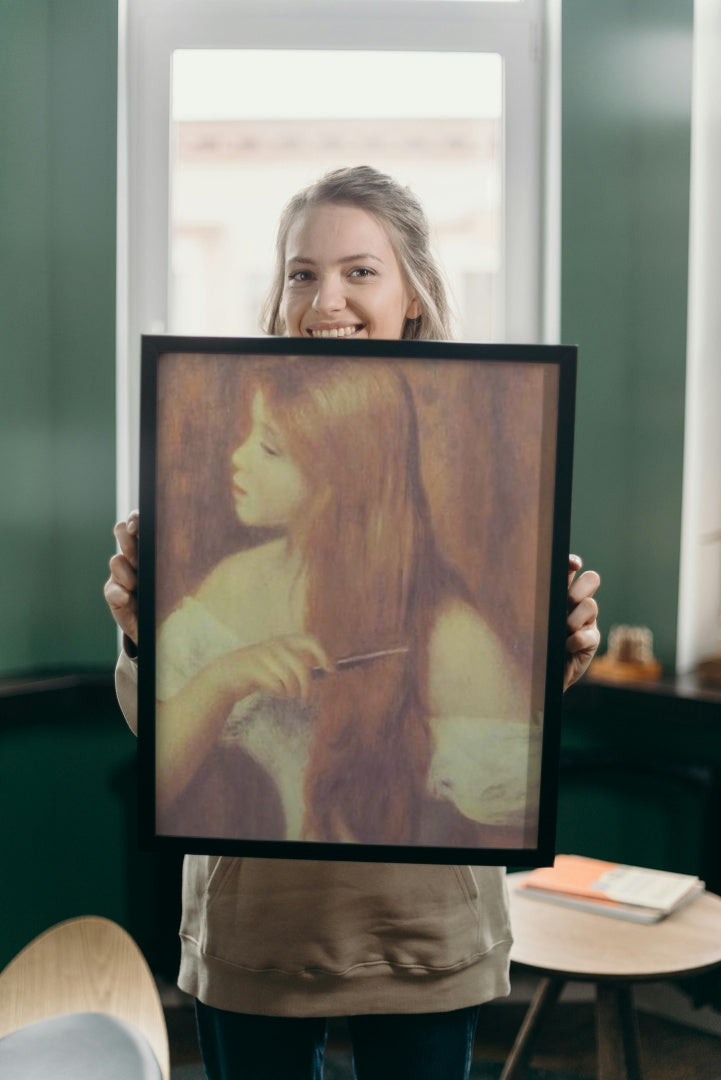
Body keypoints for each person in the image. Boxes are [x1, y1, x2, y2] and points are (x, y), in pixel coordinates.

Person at [105, 166, 601, 1080]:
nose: (323, 298)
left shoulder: (454, 597)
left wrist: (555, 653)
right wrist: (145, 638)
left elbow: (505, 758)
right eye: (300, 272)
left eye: (358, 272)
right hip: (255, 933)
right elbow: (163, 751)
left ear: (412, 293)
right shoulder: (222, 568)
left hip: (419, 934)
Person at [153, 356, 538, 849]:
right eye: (249, 433)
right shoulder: (233, 582)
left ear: (339, 477)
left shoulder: (455, 640)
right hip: (258, 901)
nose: (238, 457)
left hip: (404, 916)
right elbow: (157, 787)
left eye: (269, 448)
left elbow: (507, 853)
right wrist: (220, 681)